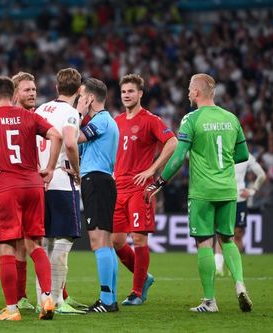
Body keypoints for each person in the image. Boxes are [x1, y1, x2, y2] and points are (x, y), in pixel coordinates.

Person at [145, 73, 252, 313]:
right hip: (227, 188)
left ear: (197, 92)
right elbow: (243, 155)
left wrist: (159, 182)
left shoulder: (191, 119)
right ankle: (240, 284)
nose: (187, 93)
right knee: (228, 239)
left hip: (203, 191)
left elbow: (178, 157)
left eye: (189, 90)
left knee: (204, 242)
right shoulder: (231, 118)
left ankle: (209, 301)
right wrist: (221, 163)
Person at [0, 76, 62, 321]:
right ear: (13, 94)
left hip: (6, 186)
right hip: (33, 185)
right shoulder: (30, 116)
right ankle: (47, 298)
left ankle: (12, 309)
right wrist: (49, 168)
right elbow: (56, 136)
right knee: (35, 245)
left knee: (7, 247)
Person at [112, 74, 177, 305]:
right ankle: (145, 278)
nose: (126, 95)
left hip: (139, 190)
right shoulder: (117, 121)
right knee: (116, 241)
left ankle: (137, 292)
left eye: (131, 91)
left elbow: (173, 142)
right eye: (123, 92)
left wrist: (152, 170)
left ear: (140, 94)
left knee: (139, 240)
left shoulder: (150, 120)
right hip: (117, 188)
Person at [34, 68, 86, 315]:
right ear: (79, 90)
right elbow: (69, 142)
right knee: (63, 241)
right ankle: (56, 300)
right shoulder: (71, 113)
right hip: (62, 180)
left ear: (56, 88)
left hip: (39, 180)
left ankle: (41, 299)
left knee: (43, 242)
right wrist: (77, 169)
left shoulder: (41, 109)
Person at [75, 77, 120, 313]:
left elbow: (75, 137)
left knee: (98, 242)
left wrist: (78, 114)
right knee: (107, 243)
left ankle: (106, 299)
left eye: (82, 96)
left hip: (96, 181)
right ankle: (110, 297)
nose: (79, 99)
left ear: (91, 98)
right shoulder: (107, 121)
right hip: (102, 181)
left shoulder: (101, 121)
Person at [214, 152, 266, 275]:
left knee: (237, 235)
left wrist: (252, 191)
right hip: (224, 197)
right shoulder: (221, 151)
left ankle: (233, 268)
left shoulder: (246, 156)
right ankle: (218, 267)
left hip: (240, 200)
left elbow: (262, 175)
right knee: (221, 233)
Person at [11, 71, 37, 311]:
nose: (32, 93)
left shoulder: (35, 116)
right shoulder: (7, 118)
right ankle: (20, 296)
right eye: (27, 89)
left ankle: (22, 297)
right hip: (15, 188)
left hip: (36, 186)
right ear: (15, 93)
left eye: (34, 89)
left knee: (31, 243)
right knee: (24, 244)